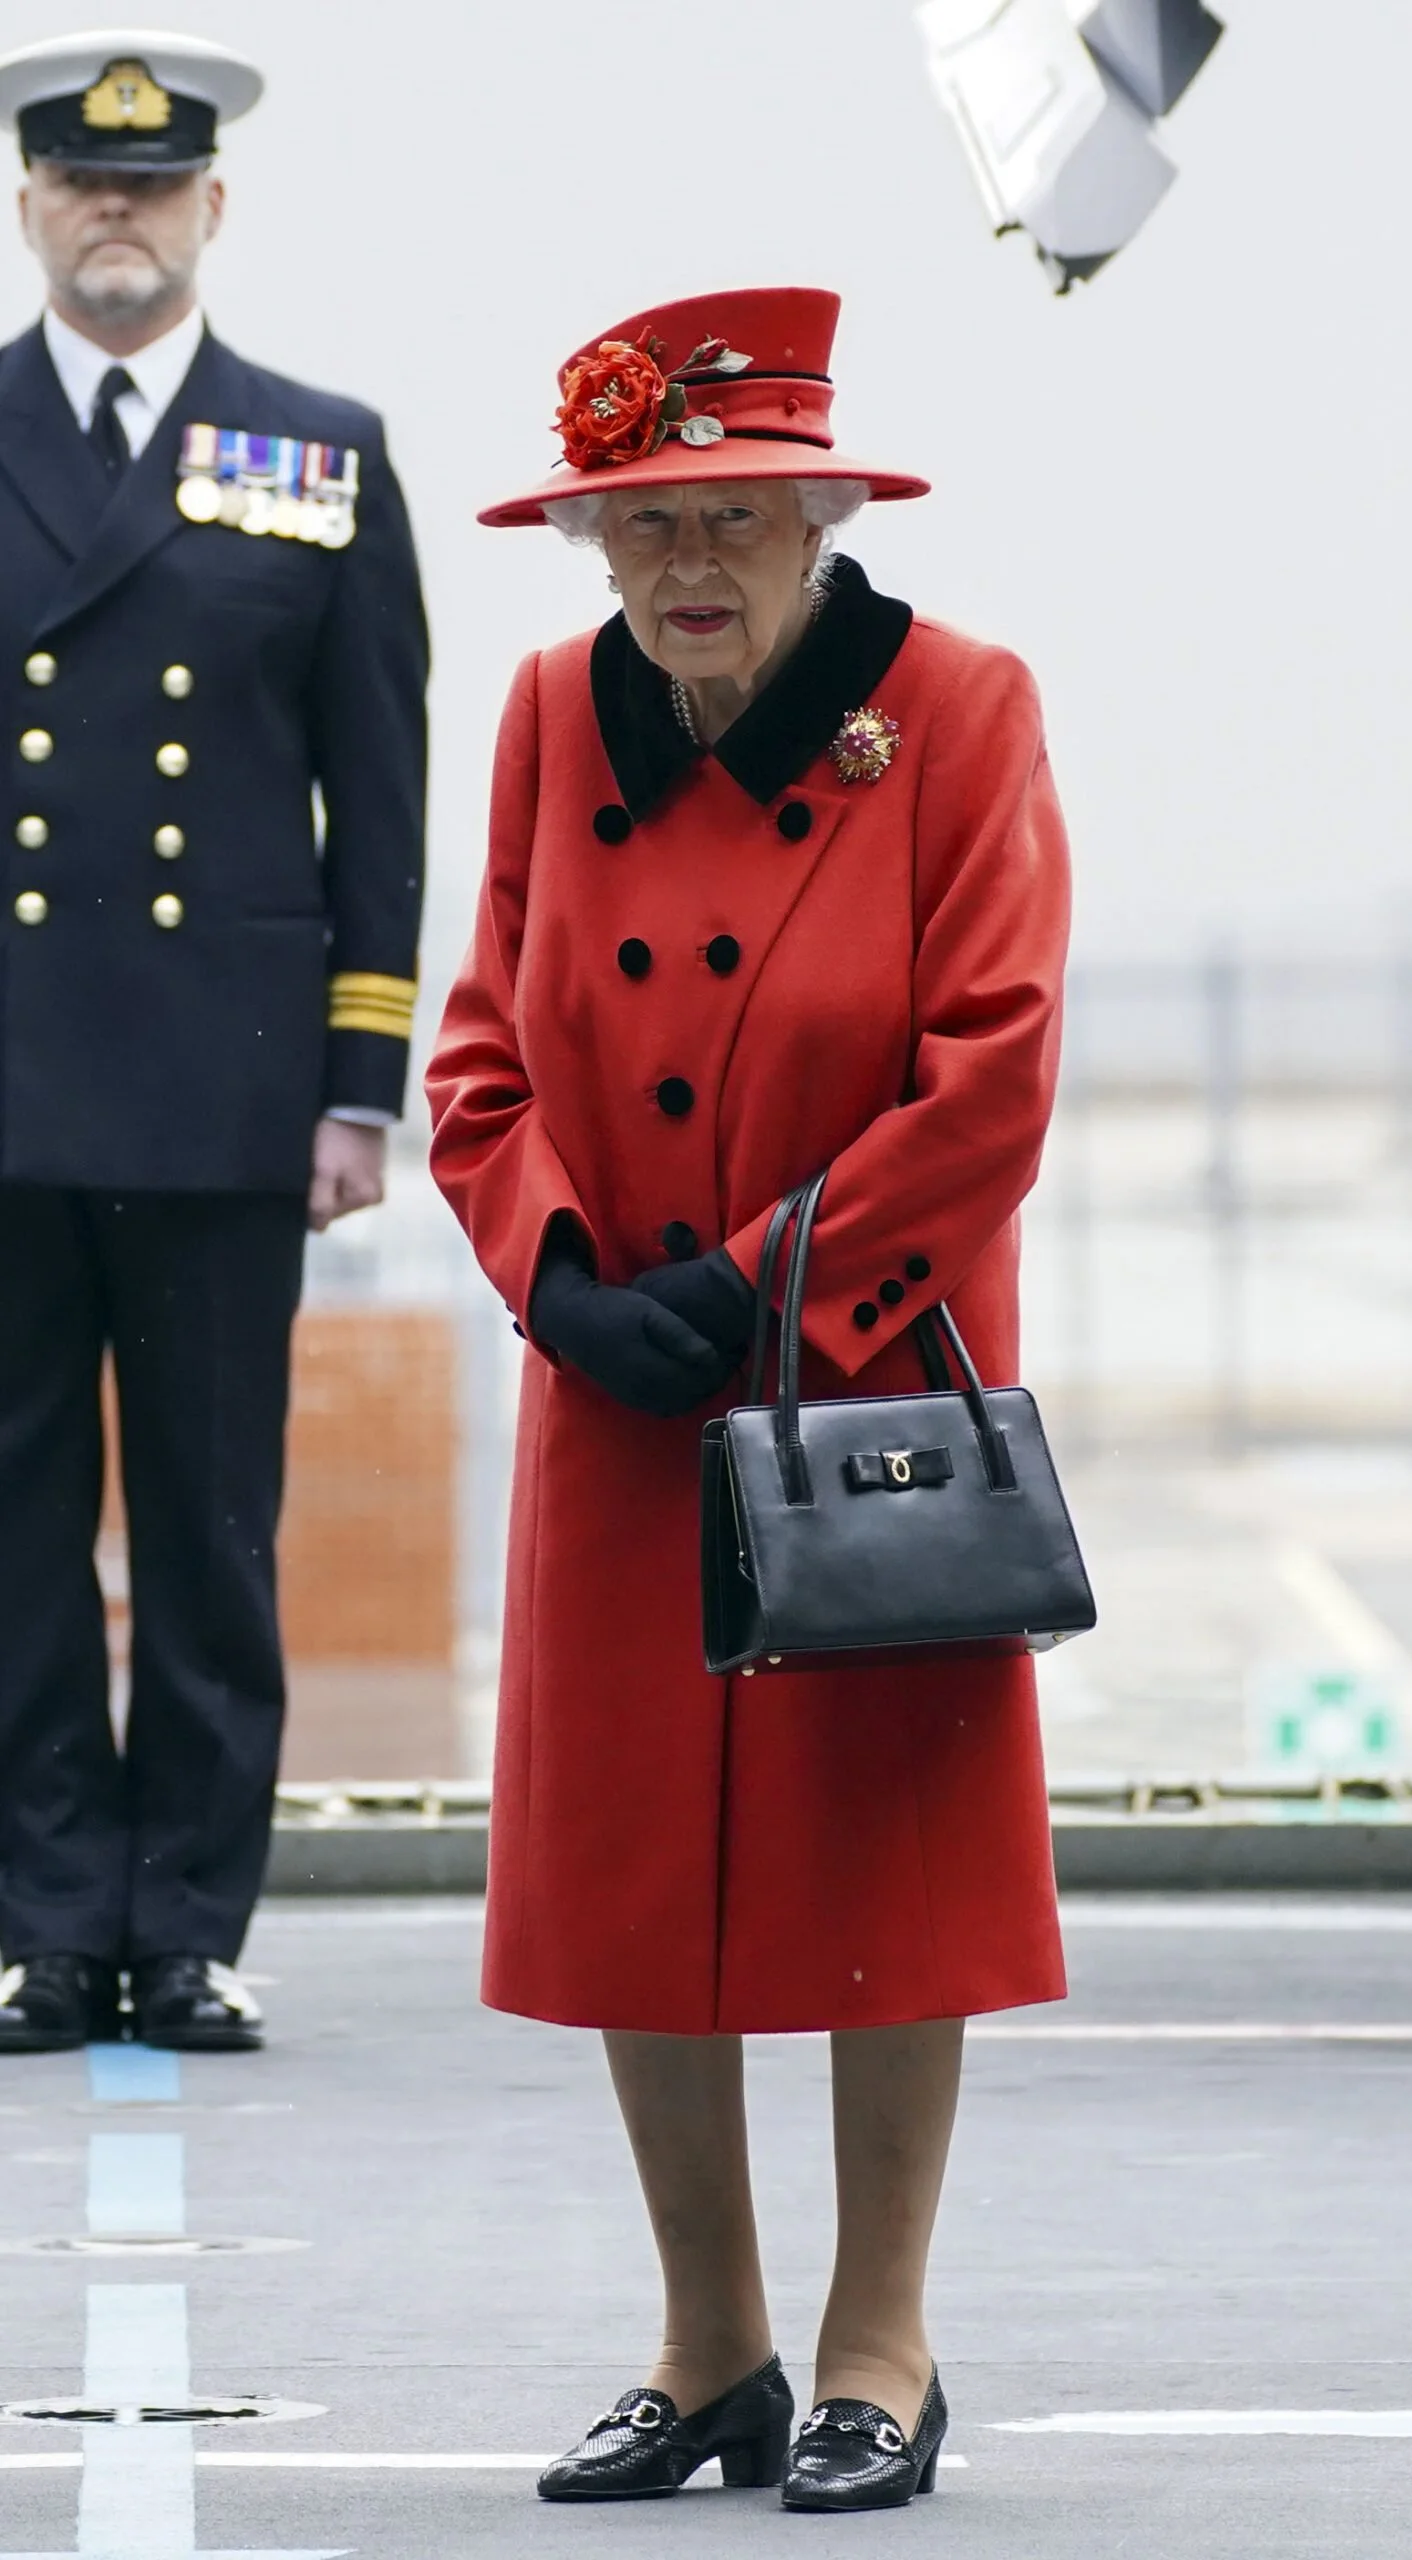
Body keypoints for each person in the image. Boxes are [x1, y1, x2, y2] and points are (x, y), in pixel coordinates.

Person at [427, 286, 1069, 2514]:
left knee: (876, 1853)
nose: (681, 562)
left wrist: (774, 1278)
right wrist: (557, 1268)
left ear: (816, 513)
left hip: (858, 1382)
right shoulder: (544, 714)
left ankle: (877, 2340)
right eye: (638, 523)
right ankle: (707, 2348)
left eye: (724, 516)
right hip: (622, 1409)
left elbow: (990, 1072)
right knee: (636, 1868)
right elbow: (478, 1054)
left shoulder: (957, 709)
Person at [0, 32, 428, 2056]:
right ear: (28, 202)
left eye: (153, 188)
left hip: (227, 1079)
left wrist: (360, 1079)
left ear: (210, 213)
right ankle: (38, 1919)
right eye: (84, 184)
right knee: (5, 1521)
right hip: (6, 1077)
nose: (116, 213)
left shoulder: (316, 453)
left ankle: (185, 1924)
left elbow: (381, 786)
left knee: (206, 1521)